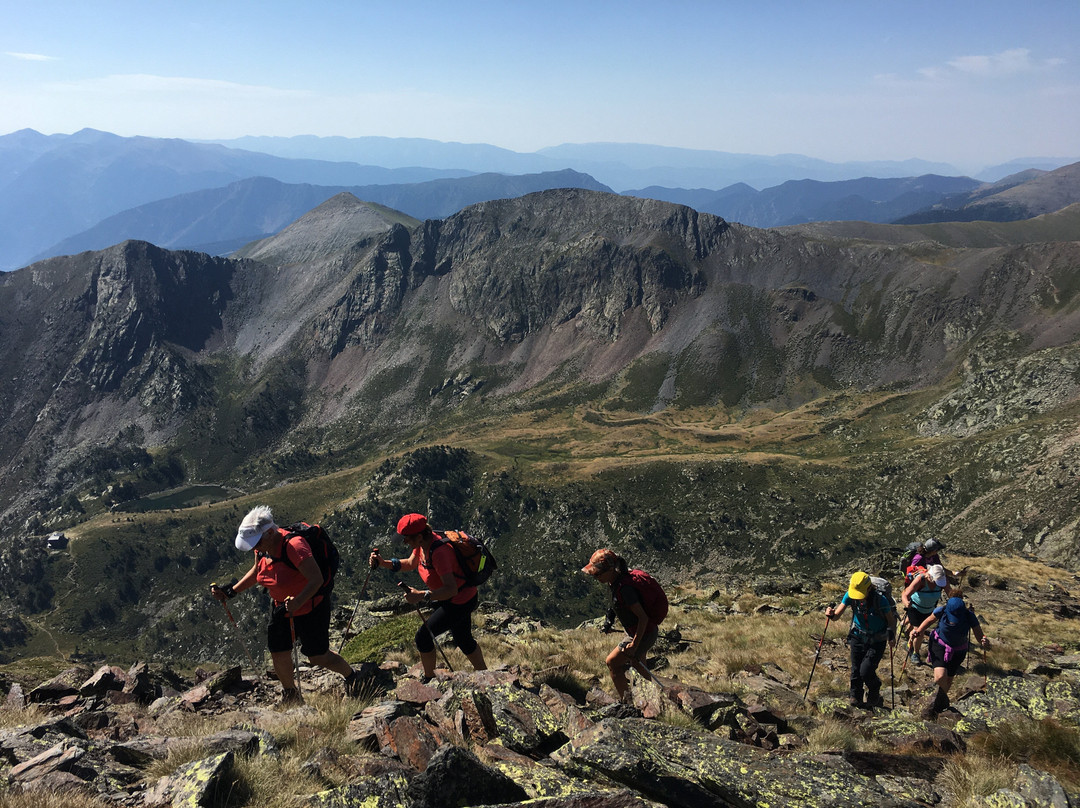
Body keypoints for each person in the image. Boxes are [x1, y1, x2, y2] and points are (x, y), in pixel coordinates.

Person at [211, 505, 364, 705]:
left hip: (311, 607)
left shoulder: (295, 546)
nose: (255, 548)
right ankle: (291, 694)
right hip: (281, 606)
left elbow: (316, 579)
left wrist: (299, 600)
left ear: (271, 533)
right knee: (278, 651)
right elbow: (258, 571)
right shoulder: (263, 548)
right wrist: (232, 591)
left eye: (256, 543)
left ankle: (352, 677)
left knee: (318, 657)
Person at [369, 513, 487, 681]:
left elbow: (451, 589)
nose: (404, 542)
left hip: (459, 601)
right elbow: (410, 563)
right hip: (451, 598)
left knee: (423, 637)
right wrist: (383, 563)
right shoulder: (422, 544)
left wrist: (422, 595)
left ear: (418, 536)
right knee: (464, 639)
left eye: (406, 539)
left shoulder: (439, 553)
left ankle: (429, 678)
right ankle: (486, 675)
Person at [582, 549, 668, 703]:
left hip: (642, 633)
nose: (595, 578)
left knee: (613, 663)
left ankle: (628, 702)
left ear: (609, 570)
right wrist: (609, 620)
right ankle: (650, 700)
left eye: (597, 574)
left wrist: (634, 644)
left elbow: (643, 618)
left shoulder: (625, 589)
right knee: (639, 664)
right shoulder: (616, 581)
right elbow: (617, 604)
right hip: (641, 631)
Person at [824, 571, 896, 708]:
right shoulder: (850, 595)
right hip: (857, 636)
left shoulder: (881, 600)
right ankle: (855, 697)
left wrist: (891, 636)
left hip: (877, 640)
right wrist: (830, 614)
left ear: (869, 588)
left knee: (866, 670)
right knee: (856, 669)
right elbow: (836, 616)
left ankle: (874, 689)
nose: (858, 597)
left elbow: (891, 621)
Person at [911, 593, 990, 715]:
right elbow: (928, 620)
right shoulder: (941, 610)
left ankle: (939, 703)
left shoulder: (969, 616)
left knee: (949, 679)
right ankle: (943, 699)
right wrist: (918, 631)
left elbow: (979, 635)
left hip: (959, 650)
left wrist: (984, 640)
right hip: (939, 645)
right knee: (940, 677)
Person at [900, 564, 950, 665]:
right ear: (929, 576)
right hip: (914, 608)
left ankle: (905, 634)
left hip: (929, 610)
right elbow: (905, 594)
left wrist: (958, 604)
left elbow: (951, 594)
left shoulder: (942, 581)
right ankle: (915, 653)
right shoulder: (920, 580)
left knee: (914, 628)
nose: (938, 584)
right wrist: (906, 603)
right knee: (919, 631)